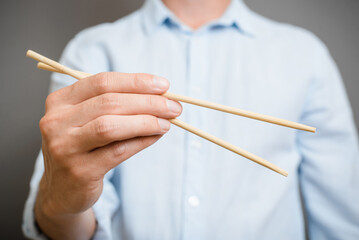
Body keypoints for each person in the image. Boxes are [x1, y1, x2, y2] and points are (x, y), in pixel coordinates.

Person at [23, 0, 359, 239]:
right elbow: (68, 224)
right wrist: (61, 204)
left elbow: (344, 219)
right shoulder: (92, 49)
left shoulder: (304, 54)